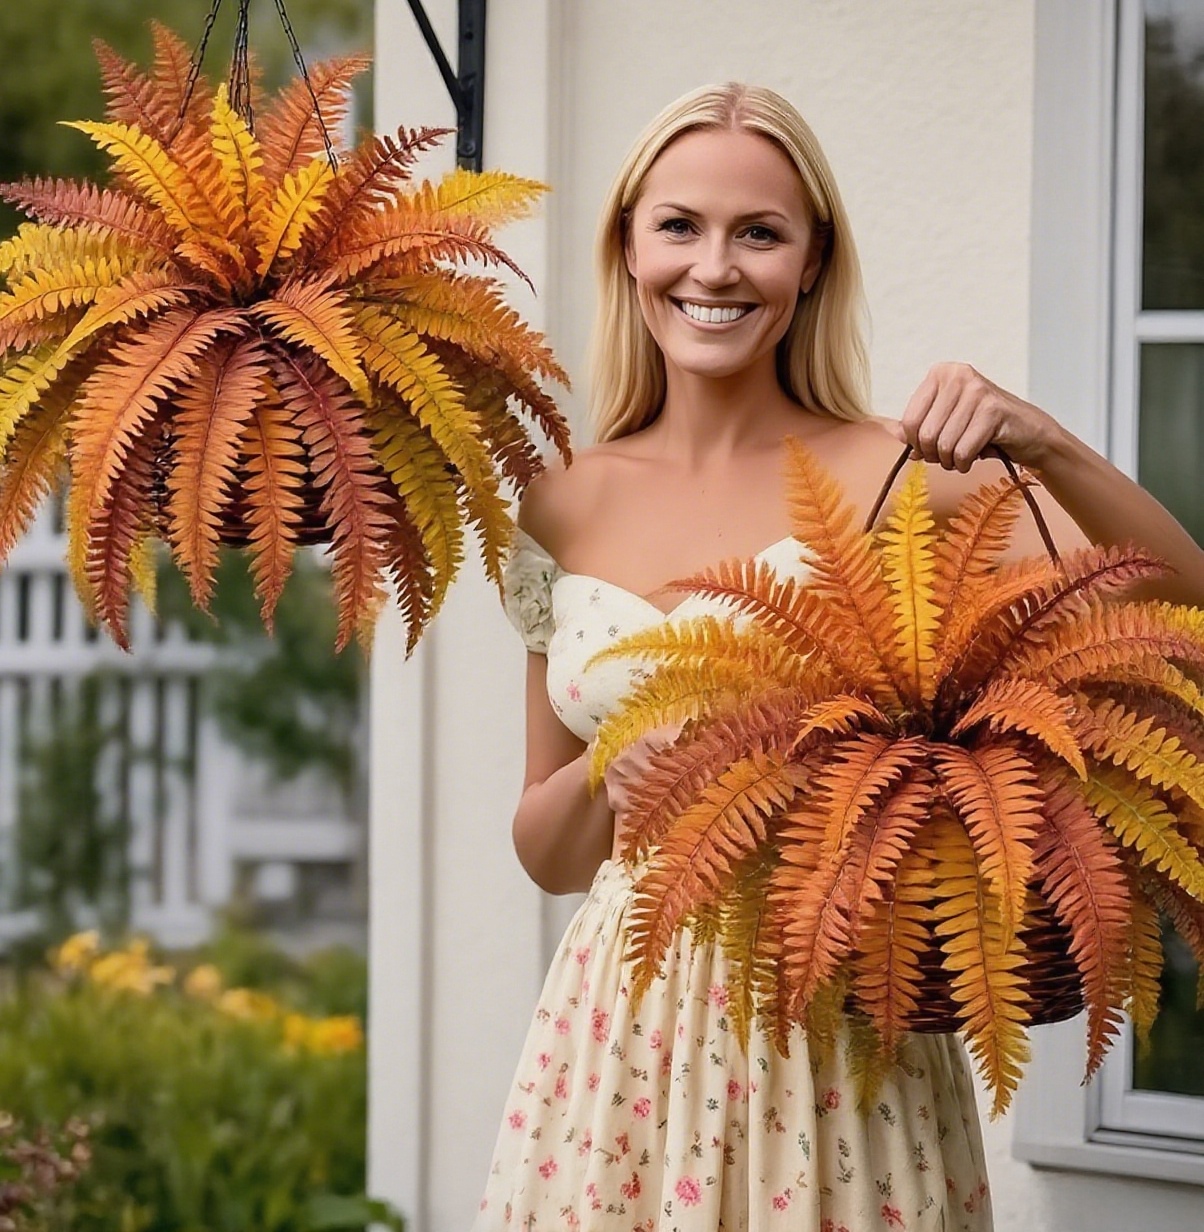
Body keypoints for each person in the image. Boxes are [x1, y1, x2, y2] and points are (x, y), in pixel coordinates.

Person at [471, 81, 1204, 1231]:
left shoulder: (904, 475)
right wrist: (611, 770)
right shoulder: (559, 500)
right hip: (617, 1039)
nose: (713, 267)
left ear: (810, 262)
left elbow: (1174, 610)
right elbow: (545, 849)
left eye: (758, 232)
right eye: (679, 225)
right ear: (628, 247)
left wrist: (1044, 442)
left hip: (842, 1027)